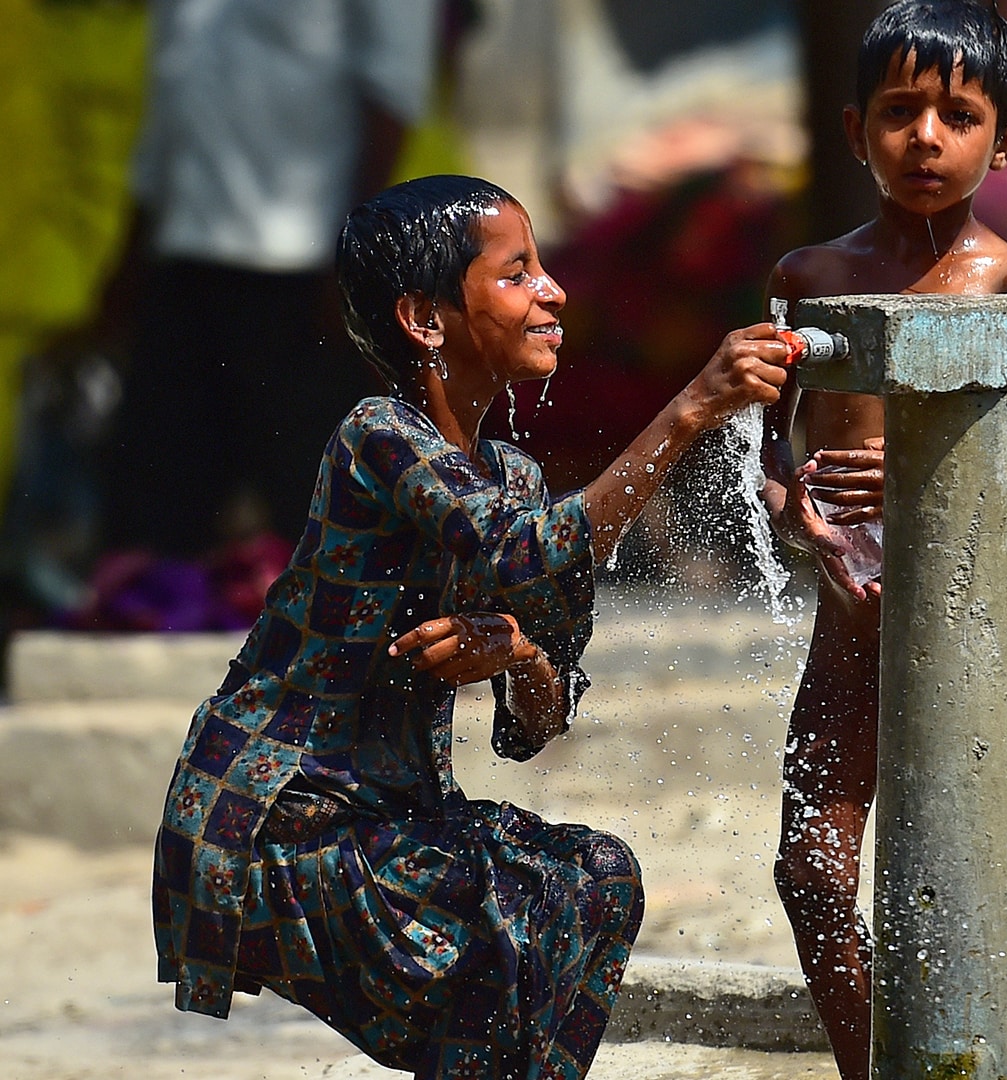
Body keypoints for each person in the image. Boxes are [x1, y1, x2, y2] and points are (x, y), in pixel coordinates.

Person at [152, 175, 792, 1078]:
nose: (554, 292)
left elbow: (543, 714)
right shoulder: (377, 436)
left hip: (393, 821)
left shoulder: (516, 475)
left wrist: (519, 652)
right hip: (280, 821)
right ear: (425, 319)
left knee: (598, 880)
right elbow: (521, 552)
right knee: (502, 930)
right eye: (517, 272)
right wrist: (689, 410)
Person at [758, 3, 1007, 1075]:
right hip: (848, 619)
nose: (927, 139)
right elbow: (764, 451)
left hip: (959, 627)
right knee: (810, 874)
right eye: (901, 112)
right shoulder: (809, 279)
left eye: (959, 116)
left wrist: (917, 484)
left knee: (942, 871)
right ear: (857, 130)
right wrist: (792, 513)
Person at [96, 0, 437, 615]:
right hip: (184, 254)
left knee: (317, 505)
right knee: (151, 513)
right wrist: (130, 259)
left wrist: (352, 259)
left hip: (297, 267)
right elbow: (171, 100)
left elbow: (394, 91)